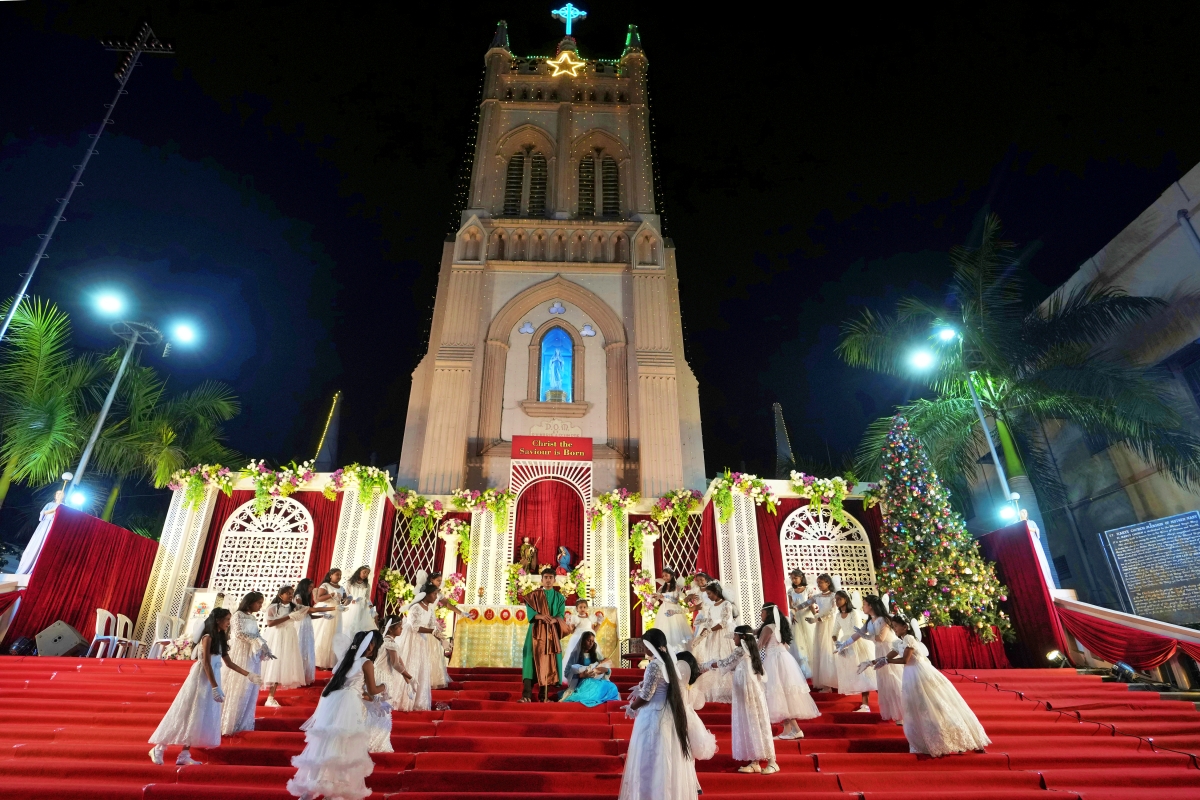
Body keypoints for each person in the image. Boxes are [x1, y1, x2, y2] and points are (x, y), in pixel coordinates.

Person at [149, 608, 258, 766]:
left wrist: (248, 674)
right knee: (186, 711)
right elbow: (206, 663)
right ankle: (159, 748)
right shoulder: (207, 637)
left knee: (198, 716)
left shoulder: (220, 638)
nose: (229, 623)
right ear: (217, 620)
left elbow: (229, 663)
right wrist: (214, 687)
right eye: (227, 619)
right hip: (201, 678)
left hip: (213, 678)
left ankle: (185, 754)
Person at [287, 630, 385, 800]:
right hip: (349, 707)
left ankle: (311, 789)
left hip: (334, 703)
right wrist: (385, 687)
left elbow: (351, 687)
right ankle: (335, 791)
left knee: (326, 744)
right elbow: (372, 689)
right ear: (371, 645)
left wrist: (367, 697)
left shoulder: (345, 662)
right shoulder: (366, 663)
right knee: (344, 746)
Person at [881, 614, 990, 757]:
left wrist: (887, 662)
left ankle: (963, 738)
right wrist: (873, 662)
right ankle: (929, 741)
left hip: (921, 675)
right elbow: (889, 656)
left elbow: (905, 659)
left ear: (905, 627)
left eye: (896, 626)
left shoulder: (909, 638)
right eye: (893, 626)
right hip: (910, 677)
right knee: (920, 709)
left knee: (938, 705)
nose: (894, 629)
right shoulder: (898, 642)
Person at [617, 628, 694, 800]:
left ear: (650, 645)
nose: (644, 649)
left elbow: (646, 696)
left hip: (653, 715)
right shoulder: (667, 663)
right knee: (664, 760)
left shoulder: (654, 665)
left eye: (645, 645)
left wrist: (632, 707)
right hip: (667, 714)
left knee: (650, 758)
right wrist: (642, 686)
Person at [706, 626, 778, 774]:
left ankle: (772, 761)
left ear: (743, 637)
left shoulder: (740, 651)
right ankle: (755, 761)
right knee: (751, 724)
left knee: (757, 723)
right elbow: (733, 667)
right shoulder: (748, 651)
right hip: (746, 692)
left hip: (750, 693)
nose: (733, 638)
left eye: (736, 636)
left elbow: (725, 663)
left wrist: (705, 666)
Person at [758, 603, 820, 739]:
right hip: (784, 660)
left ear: (768, 614)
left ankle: (795, 730)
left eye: (762, 612)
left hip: (774, 661)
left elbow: (759, 645)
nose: (760, 615)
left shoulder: (768, 627)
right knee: (783, 695)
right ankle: (788, 730)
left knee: (781, 694)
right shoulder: (779, 626)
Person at [221, 591, 274, 735]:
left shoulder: (252, 617)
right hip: (240, 653)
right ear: (249, 602)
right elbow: (239, 634)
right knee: (238, 685)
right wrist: (255, 641)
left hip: (252, 655)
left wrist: (264, 646)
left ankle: (242, 722)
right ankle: (228, 722)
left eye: (261, 603)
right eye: (258, 603)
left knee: (249, 688)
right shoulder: (238, 615)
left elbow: (256, 634)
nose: (260, 606)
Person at [845, 595, 903, 723]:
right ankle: (896, 713)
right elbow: (857, 634)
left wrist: (864, 636)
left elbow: (881, 638)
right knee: (885, 682)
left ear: (870, 605)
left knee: (895, 681)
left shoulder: (883, 619)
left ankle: (903, 714)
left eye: (864, 604)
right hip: (879, 650)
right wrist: (844, 644)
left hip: (890, 650)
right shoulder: (869, 621)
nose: (862, 606)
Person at [521, 567, 569, 703]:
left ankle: (544, 696)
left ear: (554, 580)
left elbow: (561, 615)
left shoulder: (559, 597)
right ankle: (526, 696)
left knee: (548, 661)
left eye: (550, 578)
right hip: (535, 632)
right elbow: (530, 613)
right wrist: (541, 616)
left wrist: (555, 619)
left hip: (550, 633)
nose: (548, 580)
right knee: (530, 661)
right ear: (541, 580)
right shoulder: (533, 596)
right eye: (546, 578)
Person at [396, 583, 439, 712]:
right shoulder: (416, 607)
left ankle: (418, 701)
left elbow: (432, 626)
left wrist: (441, 639)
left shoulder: (429, 609)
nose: (436, 596)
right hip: (411, 639)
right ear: (426, 594)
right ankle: (404, 699)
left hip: (422, 640)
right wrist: (432, 632)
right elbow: (415, 627)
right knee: (410, 665)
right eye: (434, 594)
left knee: (421, 668)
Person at [263, 585, 307, 707]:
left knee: (281, 664)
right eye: (288, 593)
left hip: (289, 637)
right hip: (277, 637)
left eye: (292, 593)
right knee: (273, 664)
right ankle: (267, 697)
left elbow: (309, 610)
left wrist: (334, 607)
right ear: (280, 595)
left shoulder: (294, 607)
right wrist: (288, 616)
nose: (290, 595)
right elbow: (270, 623)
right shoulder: (273, 607)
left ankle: (271, 697)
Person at [833, 590, 876, 710]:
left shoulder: (854, 613)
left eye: (839, 599)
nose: (836, 601)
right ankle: (864, 703)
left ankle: (866, 704)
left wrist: (847, 644)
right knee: (854, 672)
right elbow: (834, 631)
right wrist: (837, 643)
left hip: (857, 643)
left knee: (863, 671)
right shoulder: (837, 615)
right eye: (835, 599)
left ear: (845, 599)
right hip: (845, 644)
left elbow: (857, 631)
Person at [696, 582, 735, 703]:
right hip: (713, 635)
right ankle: (717, 690)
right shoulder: (712, 607)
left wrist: (710, 630)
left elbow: (725, 622)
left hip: (723, 634)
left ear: (716, 592)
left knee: (724, 658)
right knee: (714, 659)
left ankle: (730, 691)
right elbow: (708, 622)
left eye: (709, 593)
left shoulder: (726, 604)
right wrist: (702, 634)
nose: (708, 596)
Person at [561, 631, 620, 706]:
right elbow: (567, 672)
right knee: (587, 693)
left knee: (612, 687)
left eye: (592, 641)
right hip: (583, 682)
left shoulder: (596, 654)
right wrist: (581, 675)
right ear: (583, 641)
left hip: (596, 681)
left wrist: (606, 670)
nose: (591, 643)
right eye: (588, 640)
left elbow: (605, 666)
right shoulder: (575, 655)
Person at [294, 579, 332, 686]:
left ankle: (304, 676)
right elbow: (304, 610)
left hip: (307, 625)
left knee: (307, 649)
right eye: (310, 587)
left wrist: (322, 616)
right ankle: (296, 677)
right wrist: (330, 608)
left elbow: (309, 615)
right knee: (300, 648)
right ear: (304, 586)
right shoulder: (298, 597)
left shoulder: (306, 598)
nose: (311, 589)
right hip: (300, 625)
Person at [16, 489, 63, 575]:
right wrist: (54, 509)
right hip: (45, 525)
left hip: (55, 527)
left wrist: (60, 508)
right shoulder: (50, 504)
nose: (59, 495)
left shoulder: (64, 506)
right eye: (57, 493)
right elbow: (43, 513)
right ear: (55, 495)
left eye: (61, 494)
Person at [374, 616, 414, 710]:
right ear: (390, 629)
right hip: (383, 676)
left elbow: (400, 662)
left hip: (376, 673)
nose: (402, 628)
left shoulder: (384, 640)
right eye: (399, 626)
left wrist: (408, 682)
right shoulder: (390, 643)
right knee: (381, 705)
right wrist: (411, 677)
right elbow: (396, 664)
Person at [314, 569, 350, 670]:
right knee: (324, 634)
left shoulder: (341, 588)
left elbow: (344, 601)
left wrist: (348, 600)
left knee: (334, 635)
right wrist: (331, 595)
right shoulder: (325, 585)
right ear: (331, 575)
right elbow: (319, 598)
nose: (339, 577)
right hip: (327, 609)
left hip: (337, 612)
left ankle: (331, 661)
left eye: (340, 575)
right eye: (337, 575)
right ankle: (319, 660)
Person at [808, 574, 839, 691]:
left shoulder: (834, 596)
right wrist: (796, 608)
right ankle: (826, 683)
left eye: (821, 582)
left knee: (829, 651)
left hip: (830, 625)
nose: (819, 585)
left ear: (828, 583)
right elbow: (805, 604)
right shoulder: (817, 596)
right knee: (822, 652)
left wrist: (817, 619)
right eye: (818, 583)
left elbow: (833, 612)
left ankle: (833, 681)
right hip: (820, 626)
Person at [650, 568, 692, 652]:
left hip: (674, 610)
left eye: (666, 575)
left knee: (675, 630)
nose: (664, 577)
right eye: (663, 576)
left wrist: (662, 597)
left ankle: (677, 652)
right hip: (663, 610)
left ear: (672, 575)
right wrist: (652, 599)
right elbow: (655, 600)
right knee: (664, 630)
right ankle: (665, 651)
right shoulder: (661, 588)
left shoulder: (676, 587)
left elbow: (675, 601)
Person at [786, 569, 815, 678]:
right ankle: (804, 668)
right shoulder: (790, 591)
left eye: (796, 578)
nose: (794, 580)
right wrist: (793, 614)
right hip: (797, 617)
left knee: (810, 639)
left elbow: (811, 604)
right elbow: (791, 606)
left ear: (801, 577)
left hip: (807, 616)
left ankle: (814, 666)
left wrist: (816, 616)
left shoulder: (808, 589)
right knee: (799, 641)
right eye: (792, 578)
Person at [343, 566, 377, 638]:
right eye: (364, 572)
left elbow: (367, 598)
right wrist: (346, 604)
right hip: (352, 606)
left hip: (363, 607)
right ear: (359, 571)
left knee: (361, 626)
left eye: (367, 573)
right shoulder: (350, 583)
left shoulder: (367, 585)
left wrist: (372, 609)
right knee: (350, 626)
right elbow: (348, 596)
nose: (366, 574)